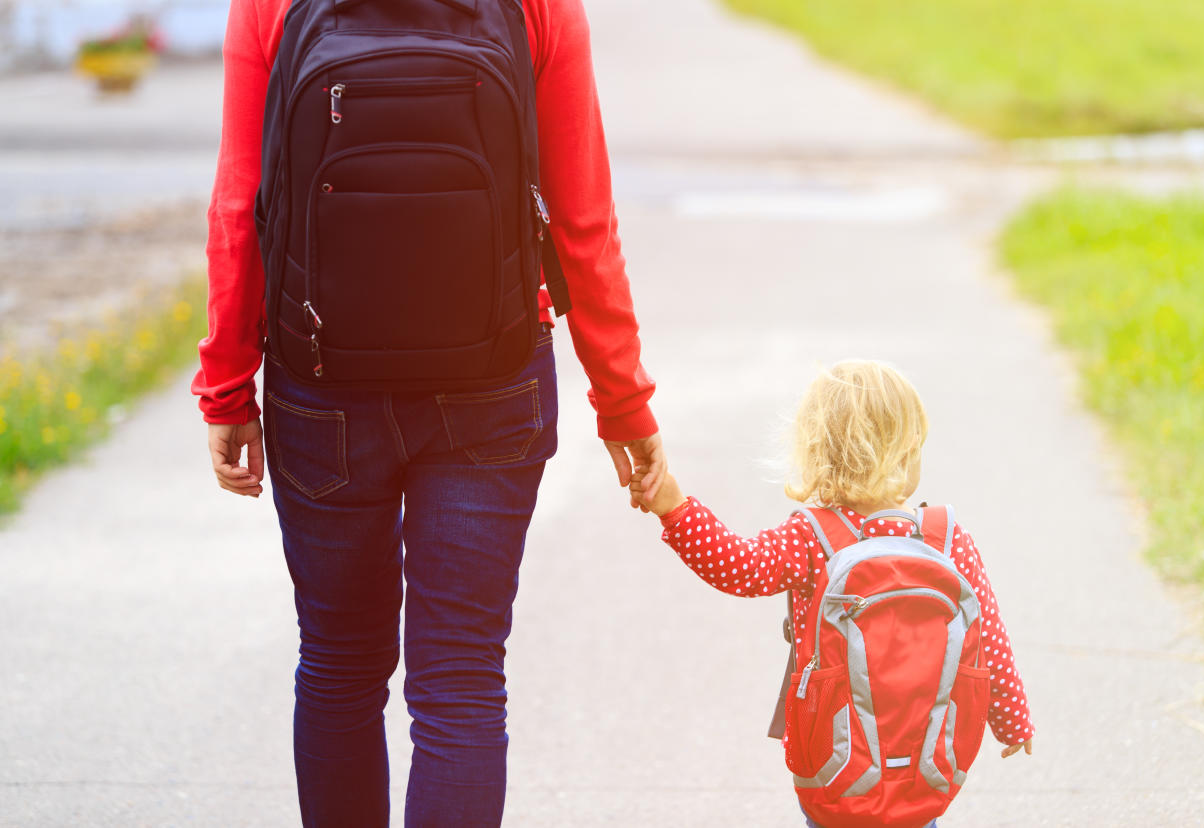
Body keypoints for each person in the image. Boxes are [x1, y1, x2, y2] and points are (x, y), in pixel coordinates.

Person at [192, 0, 666, 824]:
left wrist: (227, 384)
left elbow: (241, 204)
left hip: (322, 384)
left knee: (339, 668)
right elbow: (583, 218)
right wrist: (622, 403)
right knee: (461, 679)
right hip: (493, 384)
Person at [629, 360, 1033, 828]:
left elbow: (737, 567)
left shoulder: (813, 537)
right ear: (908, 449)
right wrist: (1012, 720)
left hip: (836, 759)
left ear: (817, 450)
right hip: (926, 755)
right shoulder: (944, 538)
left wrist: (675, 509)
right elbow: (990, 639)